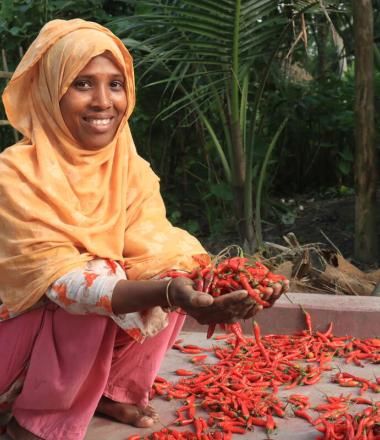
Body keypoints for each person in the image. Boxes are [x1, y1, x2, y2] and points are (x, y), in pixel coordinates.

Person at [0, 19, 287, 440]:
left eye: (115, 84)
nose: (104, 102)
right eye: (82, 84)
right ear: (50, 93)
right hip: (13, 343)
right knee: (101, 288)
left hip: (63, 330)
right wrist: (171, 293)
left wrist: (228, 285)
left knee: (177, 262)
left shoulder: (130, 171)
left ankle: (113, 391)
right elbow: (68, 284)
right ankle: (38, 419)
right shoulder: (14, 175)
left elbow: (160, 254)